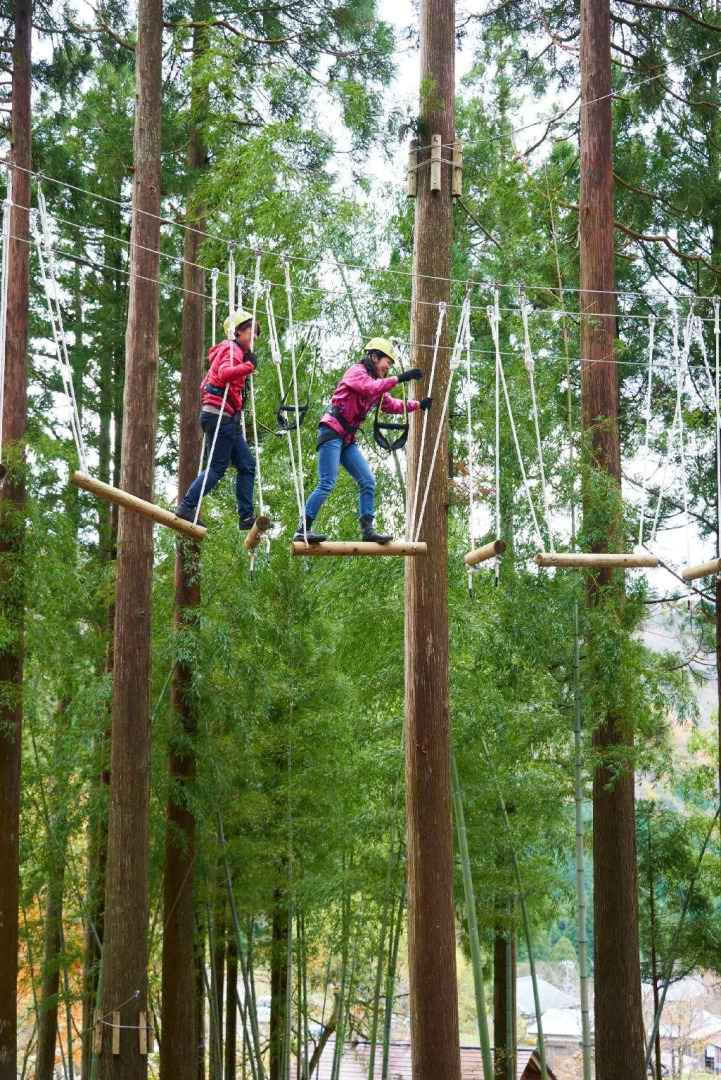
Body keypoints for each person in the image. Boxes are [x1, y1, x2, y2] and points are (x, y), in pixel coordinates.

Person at [294, 337, 431, 544]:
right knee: (327, 482)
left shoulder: (376, 382)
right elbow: (368, 388)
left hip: (347, 440)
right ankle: (303, 528)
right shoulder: (356, 372)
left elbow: (389, 404)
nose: (388, 368)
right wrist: (399, 378)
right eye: (387, 363)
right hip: (332, 431)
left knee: (368, 481)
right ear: (374, 357)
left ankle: (367, 529)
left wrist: (418, 405)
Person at [176, 310, 261, 530]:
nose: (256, 337)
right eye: (253, 331)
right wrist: (248, 367)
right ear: (238, 331)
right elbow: (224, 374)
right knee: (217, 468)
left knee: (247, 465)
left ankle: (245, 516)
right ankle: (187, 505)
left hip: (227, 418)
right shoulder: (231, 349)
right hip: (219, 415)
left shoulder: (236, 351)